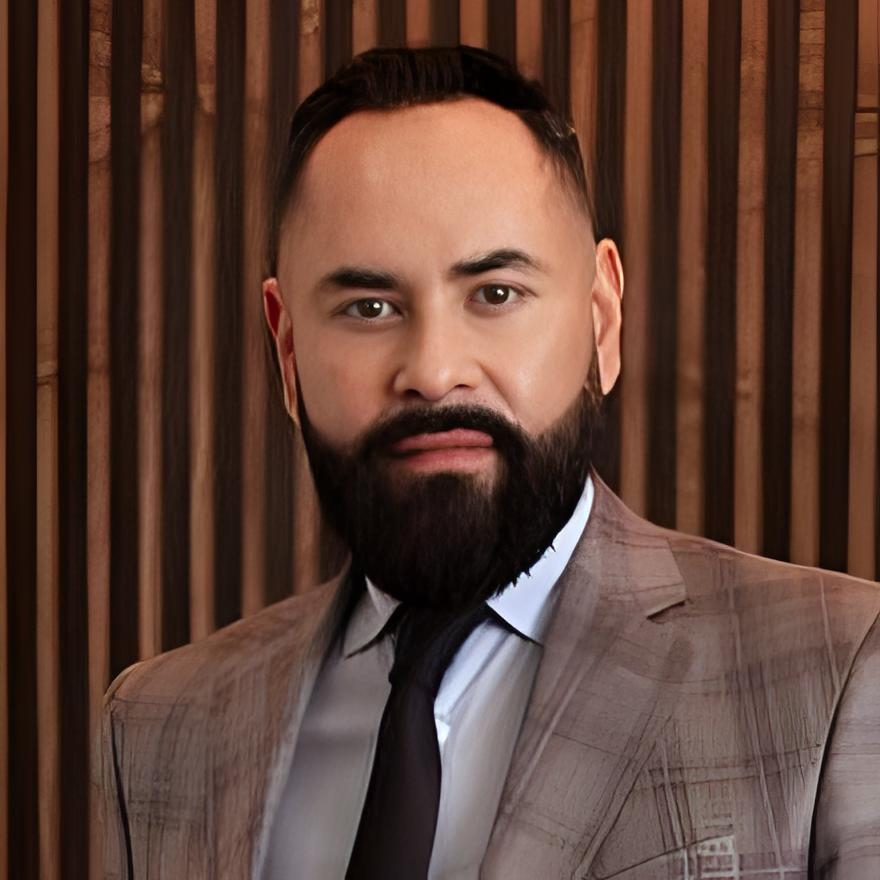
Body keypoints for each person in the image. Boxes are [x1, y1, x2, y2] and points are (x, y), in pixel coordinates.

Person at [98, 46, 880, 880]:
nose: (434, 371)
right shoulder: (154, 730)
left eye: (495, 293)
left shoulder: (840, 670)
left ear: (601, 319)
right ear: (288, 351)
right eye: (369, 307)